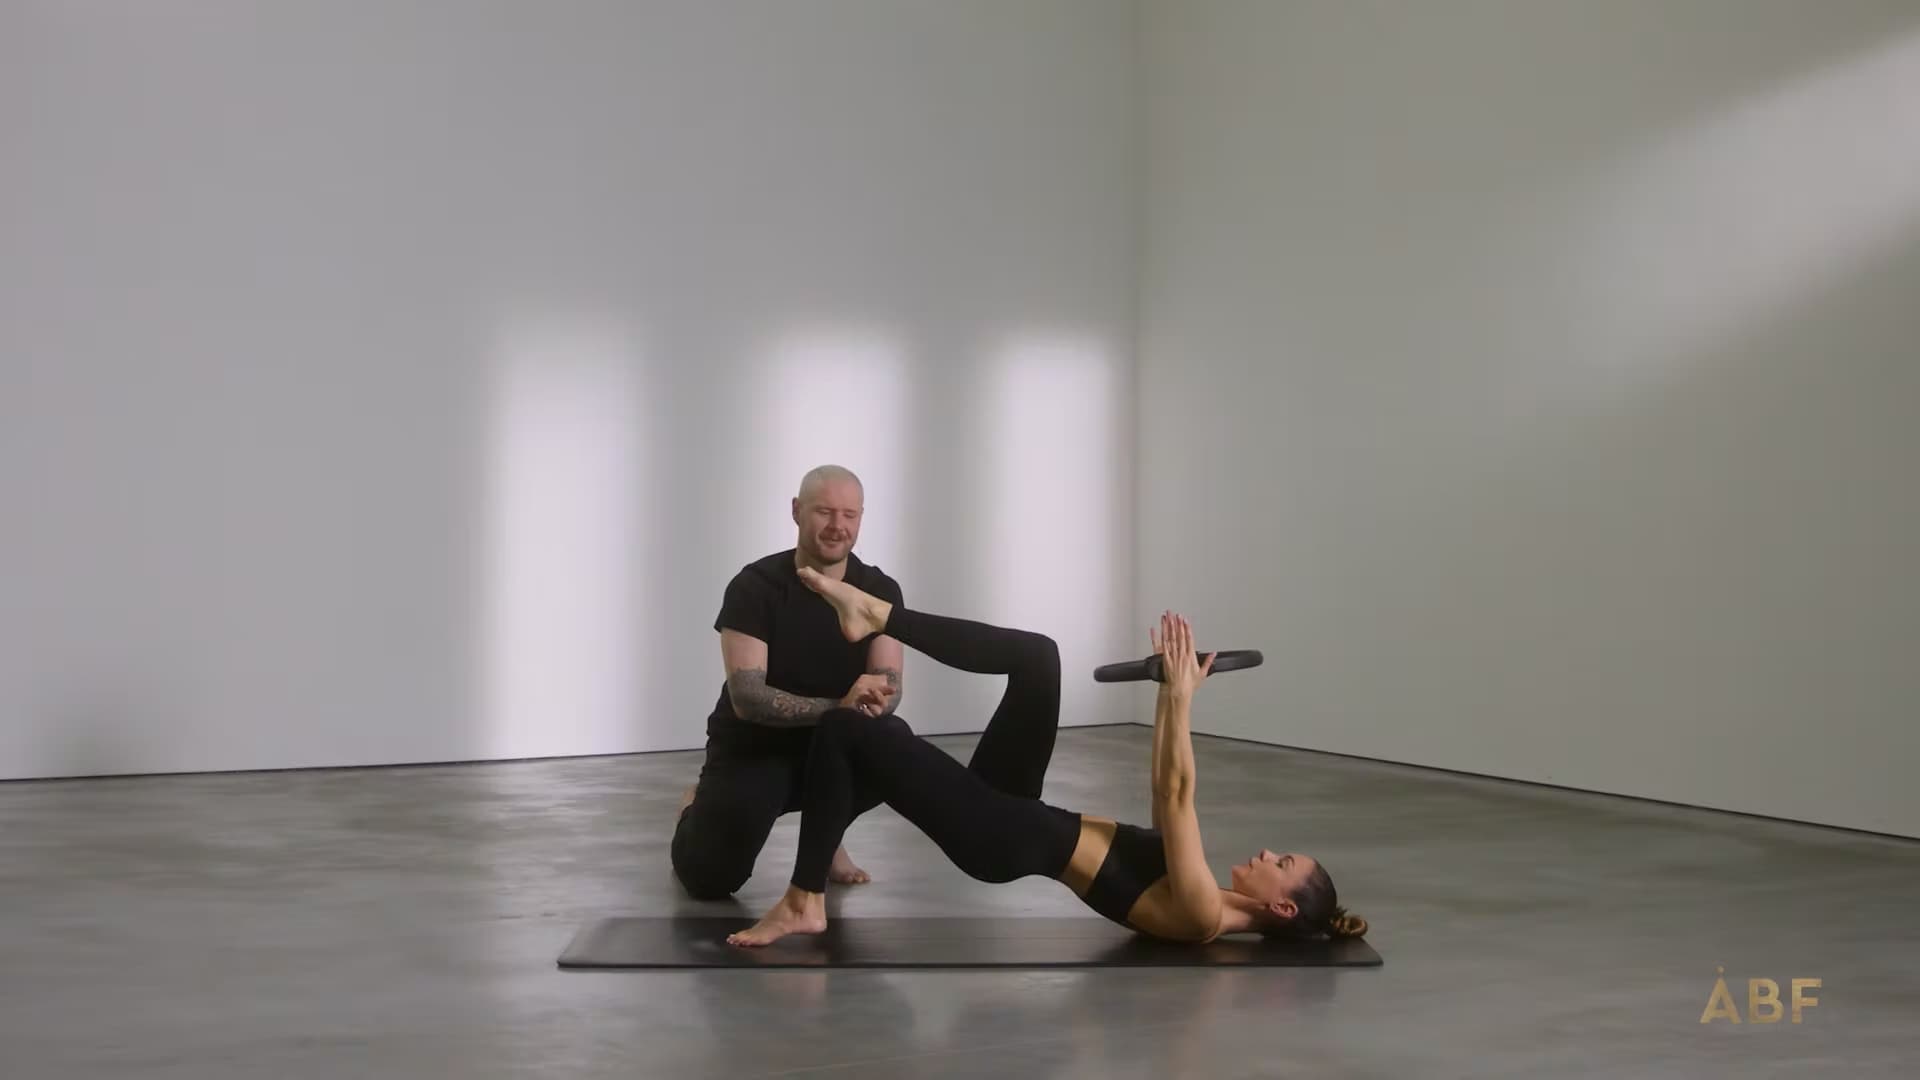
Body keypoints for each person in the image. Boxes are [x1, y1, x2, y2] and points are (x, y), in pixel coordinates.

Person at [727, 569, 1368, 947]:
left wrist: (1181, 698)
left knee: (846, 727)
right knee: (1038, 657)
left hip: (997, 836)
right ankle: (880, 616)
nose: (1268, 853)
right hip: (1017, 807)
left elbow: (1178, 796)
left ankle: (805, 899)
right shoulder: (1208, 892)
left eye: (1282, 864)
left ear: (1283, 907)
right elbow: (1164, 794)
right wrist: (1170, 696)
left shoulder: (1203, 915)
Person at [670, 465, 907, 899]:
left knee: (895, 742)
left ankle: (827, 839)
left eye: (849, 515)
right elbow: (748, 698)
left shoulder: (879, 588)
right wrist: (840, 708)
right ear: (797, 511)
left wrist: (874, 702)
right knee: (709, 880)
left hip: (830, 744)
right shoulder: (755, 586)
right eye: (824, 512)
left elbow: (889, 682)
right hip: (757, 747)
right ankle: (694, 806)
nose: (837, 526)